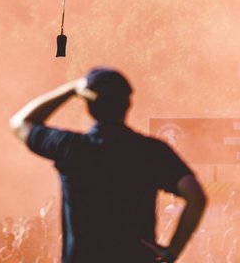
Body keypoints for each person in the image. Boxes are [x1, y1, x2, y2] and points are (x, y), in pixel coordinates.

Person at [10, 67, 206, 263]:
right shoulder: (151, 151)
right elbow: (196, 196)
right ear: (128, 103)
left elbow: (20, 122)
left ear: (87, 105)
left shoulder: (72, 148)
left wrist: (73, 89)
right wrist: (172, 252)